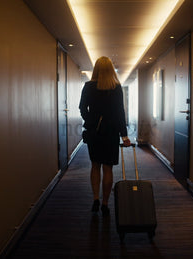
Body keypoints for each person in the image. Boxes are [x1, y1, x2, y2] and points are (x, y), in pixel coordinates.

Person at [79, 56, 131, 217]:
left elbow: (82, 107)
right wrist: (124, 135)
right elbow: (120, 112)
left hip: (94, 132)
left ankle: (95, 198)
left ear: (96, 69)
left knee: (95, 165)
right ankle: (105, 203)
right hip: (111, 132)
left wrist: (91, 121)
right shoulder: (116, 88)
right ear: (110, 70)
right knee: (108, 168)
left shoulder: (88, 86)